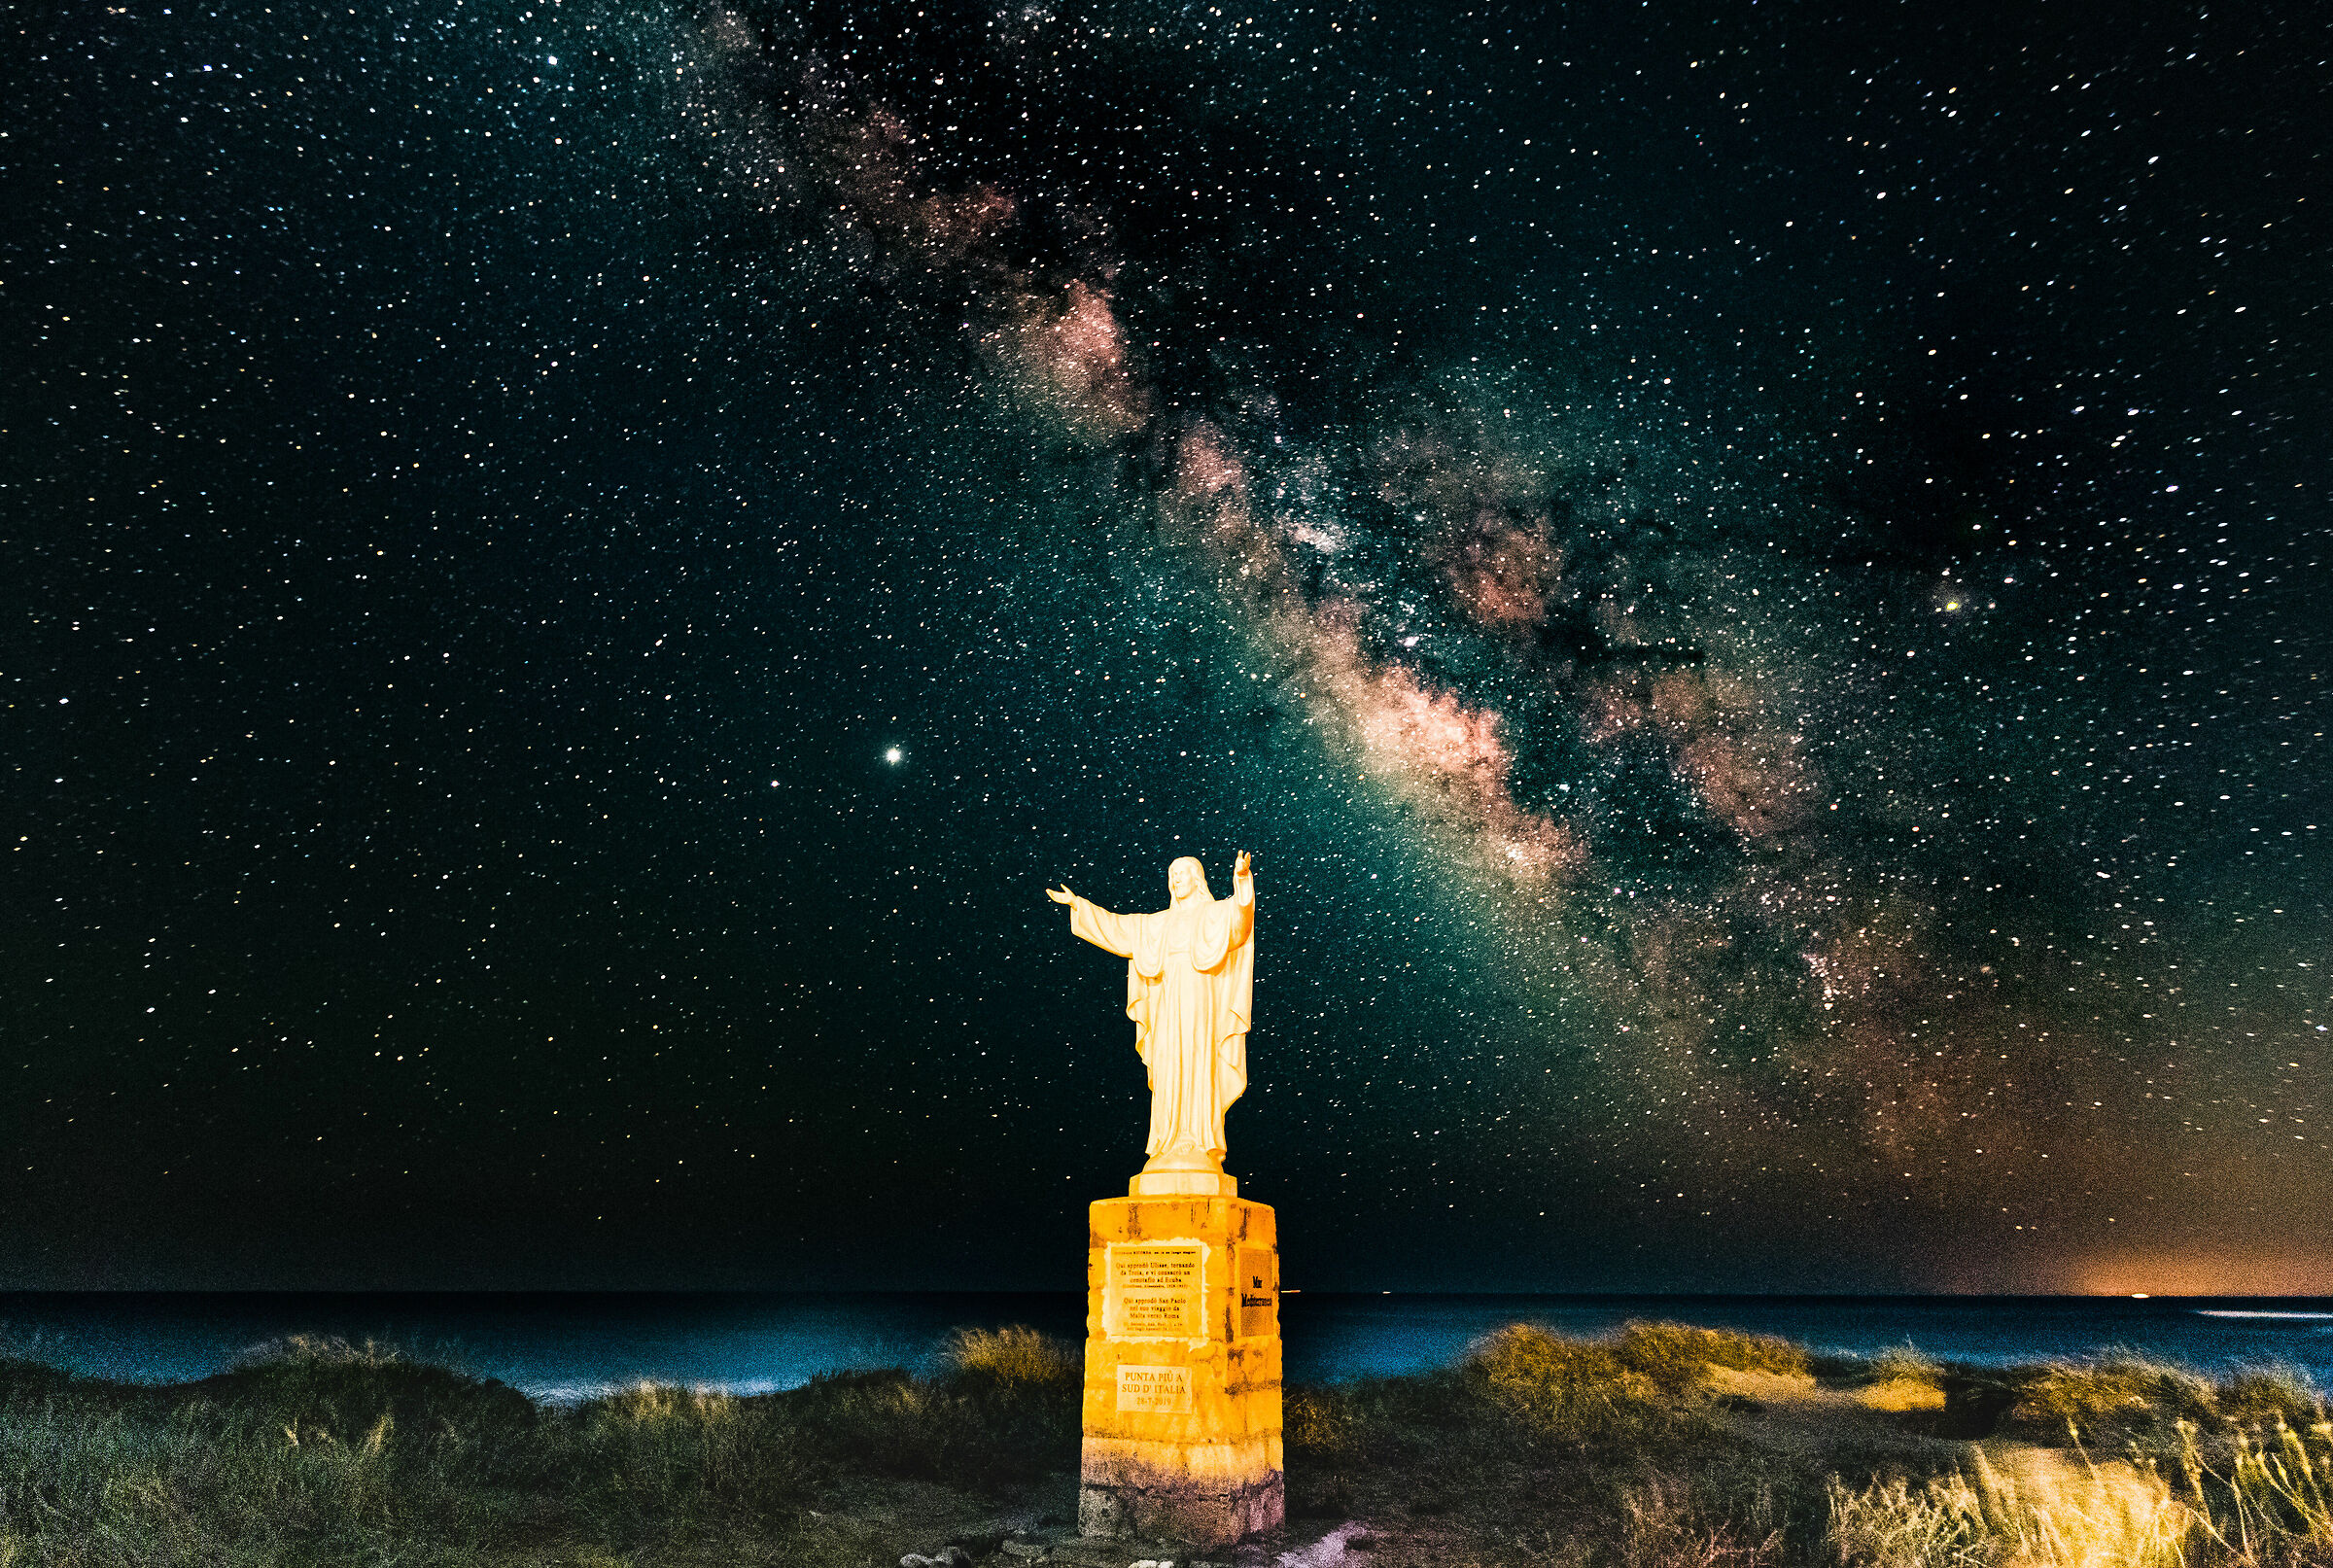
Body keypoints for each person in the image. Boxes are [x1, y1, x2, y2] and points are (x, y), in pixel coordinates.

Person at [1048, 853, 1256, 1178]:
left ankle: (1198, 1140)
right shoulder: (1156, 923)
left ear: (1197, 879)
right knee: (1168, 1064)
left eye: (1183, 873)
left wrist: (1242, 881)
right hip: (1167, 1002)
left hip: (1200, 998)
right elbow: (1119, 927)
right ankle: (1168, 1142)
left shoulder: (1215, 914)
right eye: (1172, 873)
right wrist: (1080, 906)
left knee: (1197, 1060)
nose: (1176, 879)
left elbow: (1241, 924)